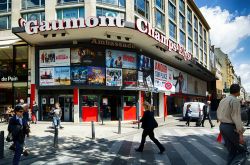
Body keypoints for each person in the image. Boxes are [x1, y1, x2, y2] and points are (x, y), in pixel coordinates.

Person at [217, 84, 247, 165]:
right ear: (238, 91)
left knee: (232, 151)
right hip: (230, 127)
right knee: (243, 149)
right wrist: (240, 135)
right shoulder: (235, 101)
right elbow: (236, 117)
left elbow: (218, 113)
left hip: (222, 126)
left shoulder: (223, 100)